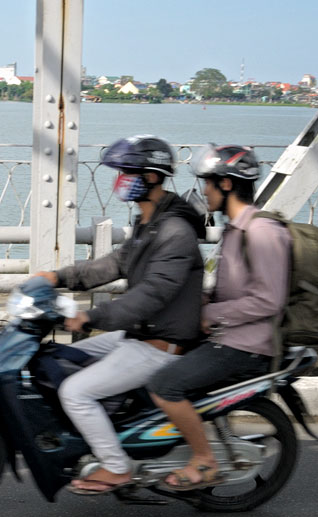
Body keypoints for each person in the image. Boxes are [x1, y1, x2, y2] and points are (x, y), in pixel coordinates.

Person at [36, 135, 206, 495]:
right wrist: (59, 277)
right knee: (66, 355)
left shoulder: (175, 231)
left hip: (160, 343)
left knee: (75, 392)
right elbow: (114, 264)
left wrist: (91, 317)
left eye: (128, 172)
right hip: (140, 333)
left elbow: (151, 295)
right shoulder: (151, 224)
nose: (120, 179)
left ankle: (116, 467)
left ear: (152, 177)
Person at [148, 144, 290, 490]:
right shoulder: (234, 232)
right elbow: (231, 291)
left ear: (226, 184)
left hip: (245, 345)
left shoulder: (263, 232)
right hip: (226, 336)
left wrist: (211, 313)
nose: (203, 191)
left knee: (164, 385)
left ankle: (204, 460)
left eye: (207, 183)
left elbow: (269, 300)